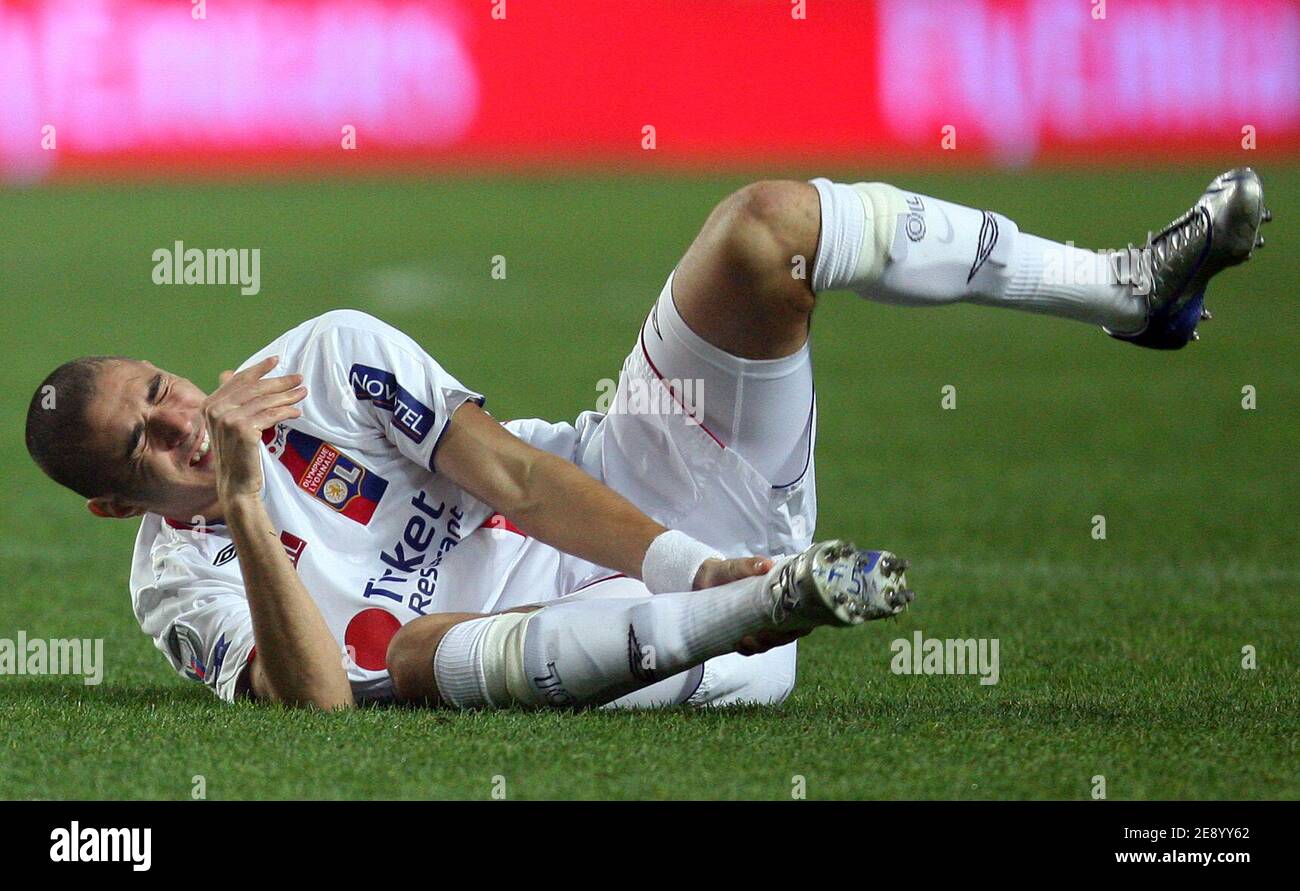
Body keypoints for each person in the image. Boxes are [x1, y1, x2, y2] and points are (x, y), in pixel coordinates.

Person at [24, 168, 1268, 710]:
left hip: (647, 498)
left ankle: (1124, 285)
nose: (182, 421)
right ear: (114, 507)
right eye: (143, 444)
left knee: (762, 229)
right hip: (642, 652)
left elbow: (514, 475)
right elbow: (311, 713)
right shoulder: (176, 587)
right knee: (394, 661)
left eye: (163, 389)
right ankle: (774, 604)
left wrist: (681, 553)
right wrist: (246, 508)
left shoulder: (321, 359)